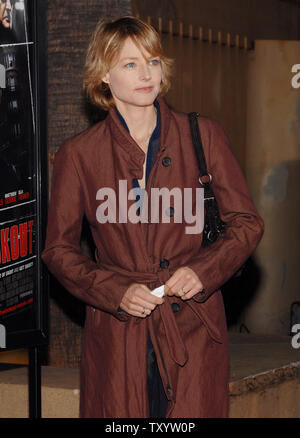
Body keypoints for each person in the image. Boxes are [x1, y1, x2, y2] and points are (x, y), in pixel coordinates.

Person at [41, 16, 264, 418]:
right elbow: (58, 250)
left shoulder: (203, 135)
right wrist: (114, 290)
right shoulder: (79, 155)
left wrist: (203, 270)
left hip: (193, 329)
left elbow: (247, 223)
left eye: (153, 61)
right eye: (130, 64)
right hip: (119, 333)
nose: (146, 74)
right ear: (103, 75)